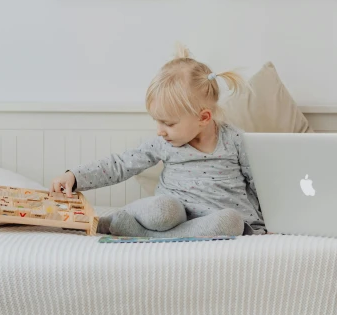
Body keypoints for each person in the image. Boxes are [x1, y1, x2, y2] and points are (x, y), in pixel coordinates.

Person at [51, 44, 263, 238]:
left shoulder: (235, 139)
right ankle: (126, 221)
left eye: (168, 123)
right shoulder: (164, 143)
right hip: (172, 217)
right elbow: (120, 164)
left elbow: (259, 183)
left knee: (232, 221)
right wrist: (75, 176)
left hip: (212, 223)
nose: (160, 131)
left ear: (203, 118)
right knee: (164, 210)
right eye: (157, 121)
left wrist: (265, 222)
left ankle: (133, 230)